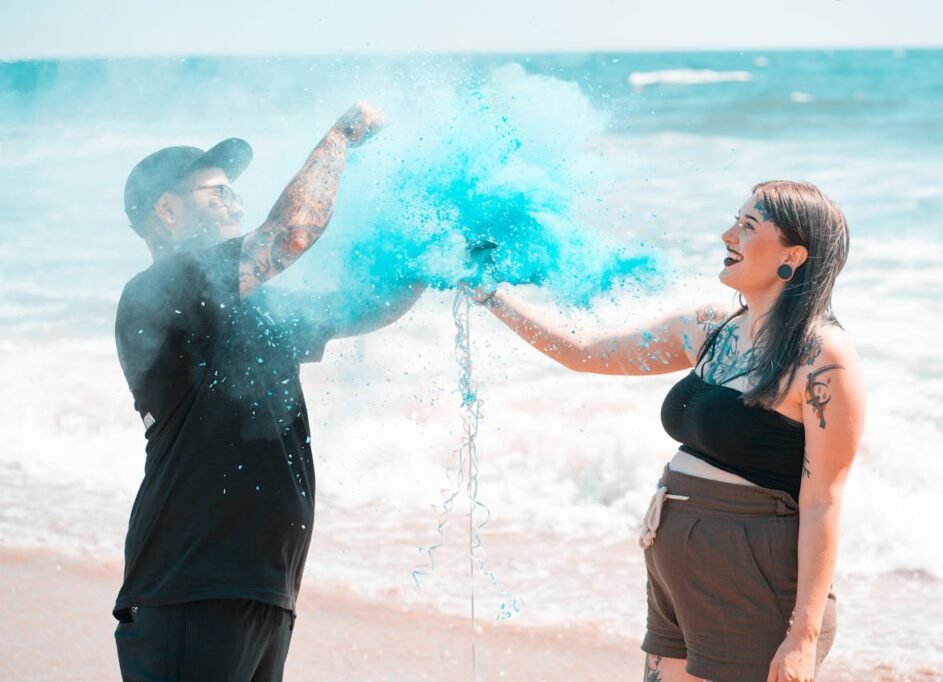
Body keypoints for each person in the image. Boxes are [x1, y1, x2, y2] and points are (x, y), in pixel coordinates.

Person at [472, 181, 866, 682]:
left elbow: (823, 502)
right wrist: (490, 293)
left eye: (748, 226)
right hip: (675, 568)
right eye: (734, 220)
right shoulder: (710, 328)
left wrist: (803, 637)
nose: (728, 235)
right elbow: (586, 351)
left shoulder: (822, 358)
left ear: (793, 254)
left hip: (755, 581)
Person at [113, 102, 419, 681]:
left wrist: (438, 260)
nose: (234, 201)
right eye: (215, 192)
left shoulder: (247, 307)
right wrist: (341, 137)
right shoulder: (160, 290)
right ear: (168, 211)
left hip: (259, 586)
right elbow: (291, 234)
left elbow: (360, 309)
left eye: (233, 191)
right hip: (191, 585)